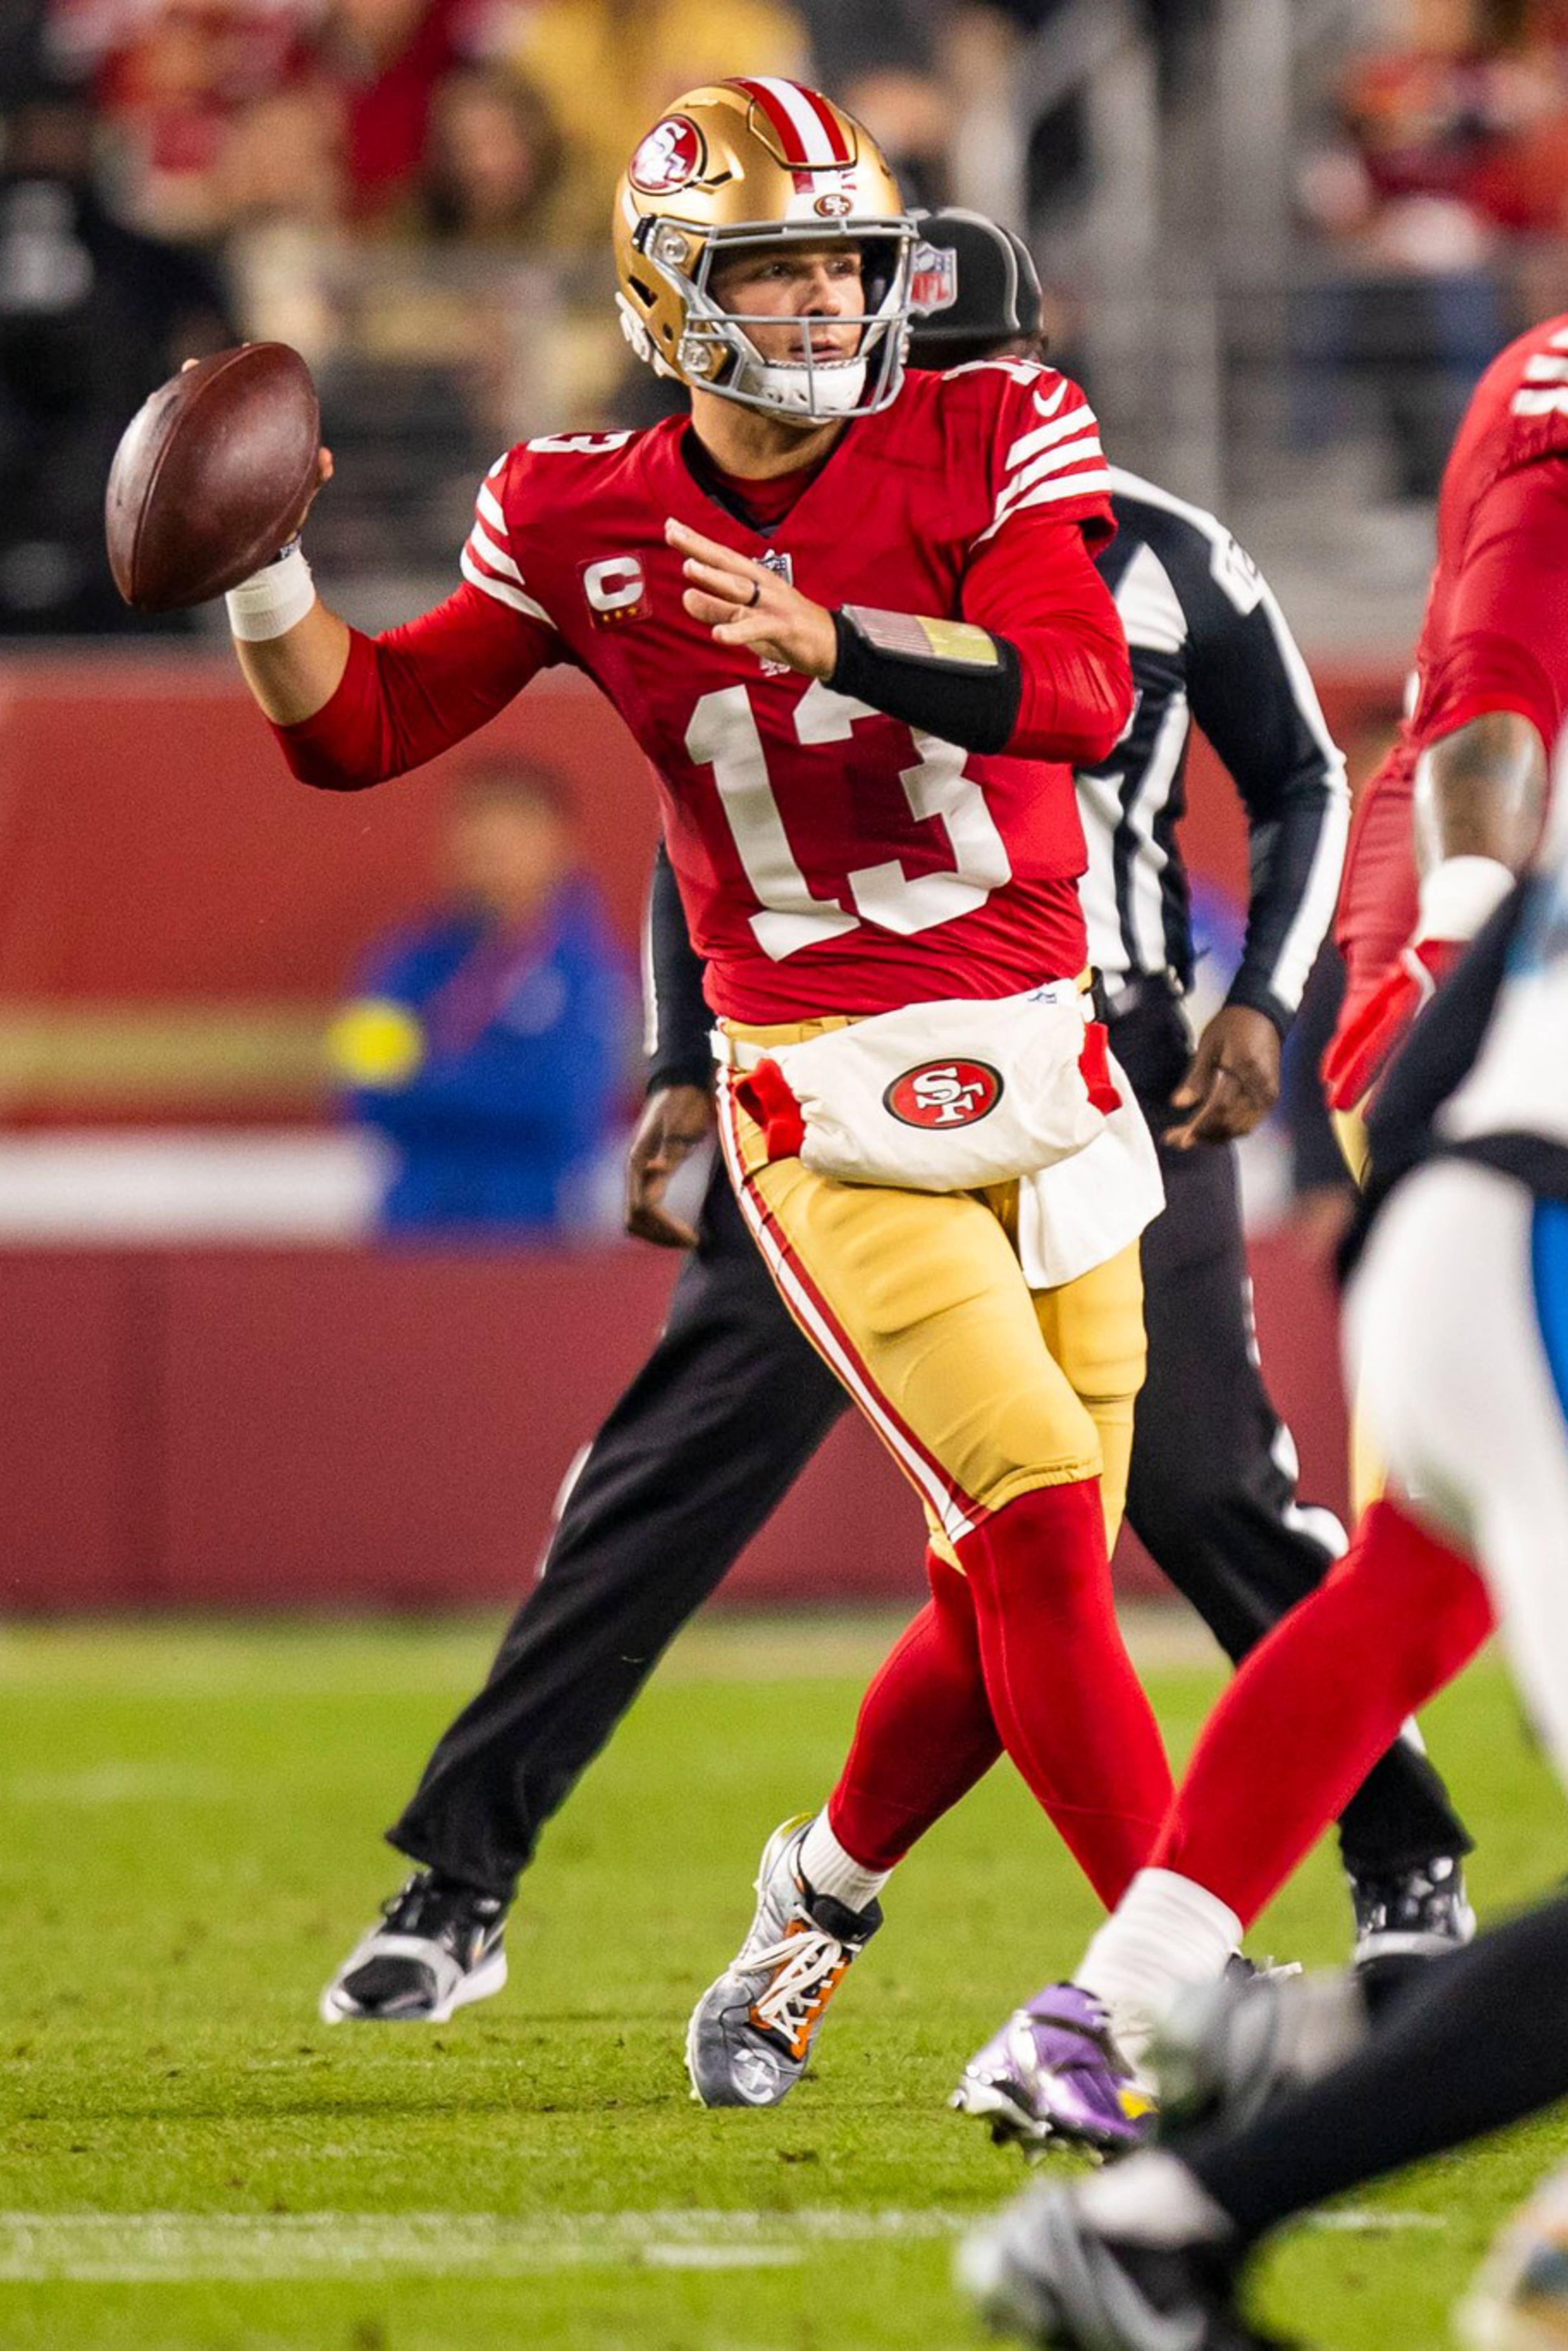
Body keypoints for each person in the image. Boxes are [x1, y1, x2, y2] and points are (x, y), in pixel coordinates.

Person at [314, 211, 1469, 2050]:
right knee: (705, 1487)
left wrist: (1270, 1007)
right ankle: (463, 1881)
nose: (892, 406)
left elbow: (1297, 765)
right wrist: (676, 1046)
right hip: (827, 1069)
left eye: (939, 370)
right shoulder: (755, 526)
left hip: (1106, 1069)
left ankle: (1360, 1853)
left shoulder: (1121, 534)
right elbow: (702, 798)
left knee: (1157, 1499)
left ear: (1019, 376)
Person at [226, 84, 1177, 2051]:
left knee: (1015, 1593)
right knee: (1033, 1529)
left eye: (844, 256)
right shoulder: (580, 509)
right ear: (674, 287)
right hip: (824, 1086)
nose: (828, 300)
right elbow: (368, 725)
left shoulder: (995, 420)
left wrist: (834, 634)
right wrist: (260, 578)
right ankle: (1188, 1985)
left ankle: (812, 1895)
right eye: (777, 265)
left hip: (1053, 1063)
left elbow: (1077, 694)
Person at [953, 300, 1568, 2160]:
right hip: (1495, 1005)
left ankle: (1139, 2010)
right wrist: (1465, 953)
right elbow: (1488, 694)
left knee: (1419, 1574)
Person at [958, 774, 1568, 2351]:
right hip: (1548, 1255)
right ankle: (1159, 2229)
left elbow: (1482, 957)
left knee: (1396, 1601)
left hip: (1472, 1230)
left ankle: (1293, 2032)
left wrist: (1407, 1258)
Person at [327, 760, 632, 1237]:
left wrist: (431, 1077)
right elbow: (365, 1091)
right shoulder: (406, 962)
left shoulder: (590, 970)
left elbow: (566, 1106)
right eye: (475, 836)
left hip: (539, 1239)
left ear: (558, 845)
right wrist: (500, 1083)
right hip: (414, 1232)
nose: (487, 854)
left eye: (509, 838)